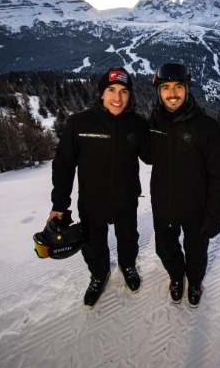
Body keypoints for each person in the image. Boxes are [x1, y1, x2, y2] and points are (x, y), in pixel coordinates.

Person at [50, 66, 150, 308]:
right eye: (111, 90)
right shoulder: (79, 123)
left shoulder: (137, 124)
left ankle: (127, 266)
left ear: (130, 95)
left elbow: (150, 156)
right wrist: (59, 205)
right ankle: (99, 274)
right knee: (93, 243)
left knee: (128, 238)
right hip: (92, 201)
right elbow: (63, 165)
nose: (118, 98)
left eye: (124, 92)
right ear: (101, 94)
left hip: (126, 199)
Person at [149, 63, 220, 307]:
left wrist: (215, 216)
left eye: (178, 87)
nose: (172, 94)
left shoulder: (207, 128)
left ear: (187, 89)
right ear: (159, 91)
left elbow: (218, 176)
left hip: (197, 207)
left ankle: (194, 281)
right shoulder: (154, 124)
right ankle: (176, 277)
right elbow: (146, 155)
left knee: (196, 252)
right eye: (166, 88)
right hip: (164, 206)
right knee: (166, 249)